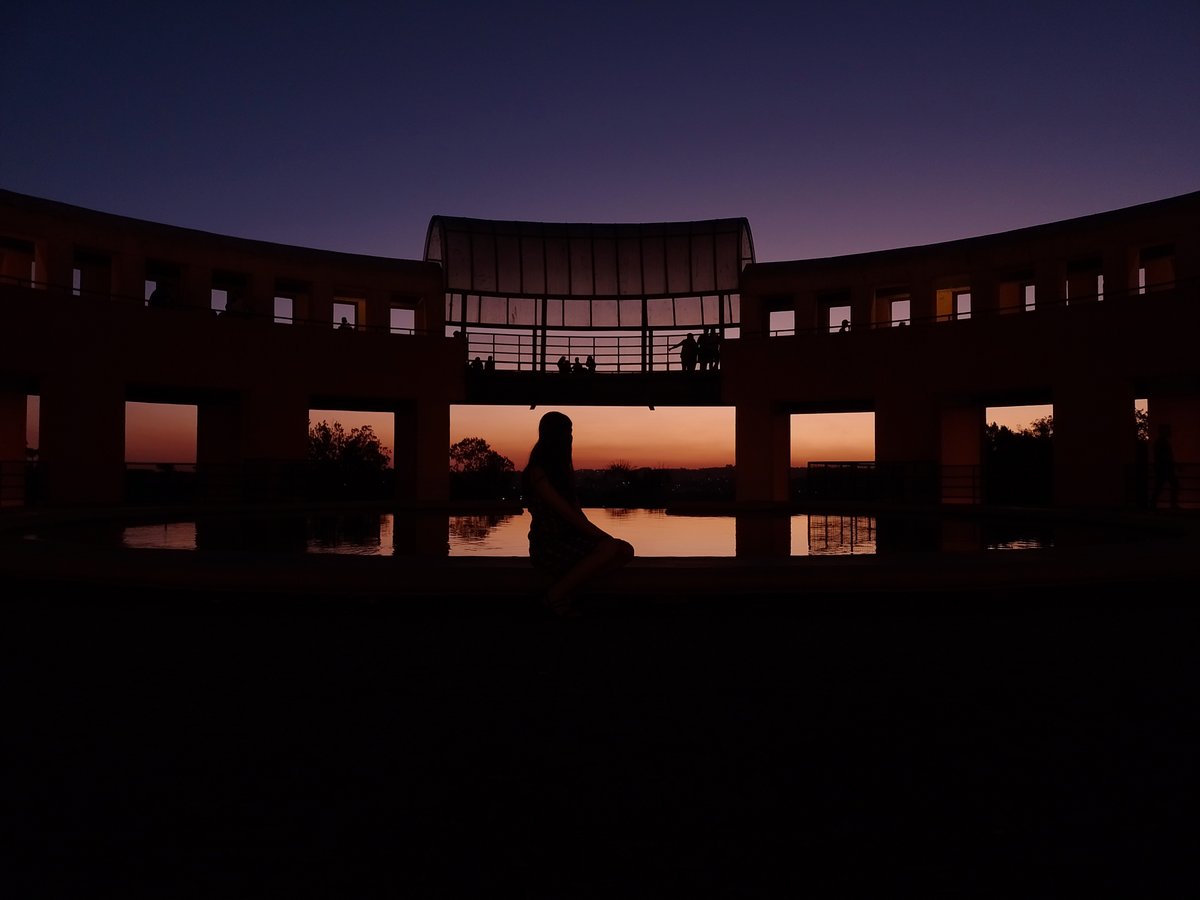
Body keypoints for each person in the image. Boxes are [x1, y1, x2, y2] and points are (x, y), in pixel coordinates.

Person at [520, 411, 635, 616]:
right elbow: (567, 515)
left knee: (625, 550)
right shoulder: (537, 472)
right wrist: (605, 539)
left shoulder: (562, 473)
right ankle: (553, 596)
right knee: (611, 548)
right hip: (549, 544)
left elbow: (578, 515)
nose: (571, 437)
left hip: (570, 539)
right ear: (555, 435)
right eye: (568, 432)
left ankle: (568, 589)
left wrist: (604, 540)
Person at [1152, 423, 1180, 509]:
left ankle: (1153, 504)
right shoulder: (1163, 442)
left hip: (1163, 468)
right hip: (1165, 468)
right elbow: (1166, 457)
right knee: (1173, 485)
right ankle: (1172, 504)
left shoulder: (1160, 442)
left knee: (1160, 486)